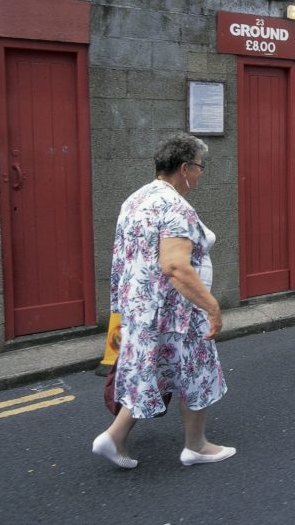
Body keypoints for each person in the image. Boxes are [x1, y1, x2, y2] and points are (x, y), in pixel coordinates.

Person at [92, 133, 235, 468]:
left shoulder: (135, 200)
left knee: (151, 369)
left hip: (141, 311)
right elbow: (174, 265)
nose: (201, 175)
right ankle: (196, 446)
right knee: (197, 370)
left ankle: (114, 437)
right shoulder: (175, 207)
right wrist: (211, 306)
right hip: (176, 313)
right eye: (200, 167)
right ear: (184, 168)